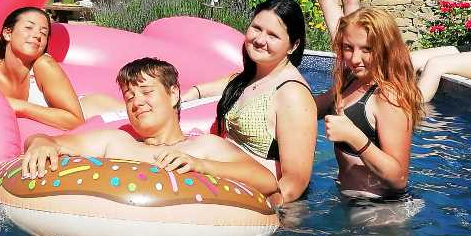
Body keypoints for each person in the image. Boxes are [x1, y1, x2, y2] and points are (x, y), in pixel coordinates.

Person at [20, 57, 280, 200]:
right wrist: (41, 142)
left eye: (146, 92)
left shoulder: (203, 147)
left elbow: (267, 181)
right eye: (129, 96)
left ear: (174, 94)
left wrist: (200, 166)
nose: (137, 102)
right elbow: (48, 141)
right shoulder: (116, 141)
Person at [180, 0, 317, 204]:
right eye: (256, 28)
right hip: (228, 185)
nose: (260, 39)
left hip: (259, 202)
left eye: (273, 35)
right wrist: (188, 95)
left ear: (293, 45)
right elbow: (212, 87)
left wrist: (259, 211)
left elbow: (295, 183)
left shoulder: (292, 94)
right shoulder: (250, 78)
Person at [315, 8, 425, 200]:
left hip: (381, 207)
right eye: (348, 47)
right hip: (349, 198)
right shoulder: (351, 79)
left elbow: (399, 178)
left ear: (386, 49)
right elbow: (312, 108)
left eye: (367, 49)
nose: (354, 59)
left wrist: (354, 136)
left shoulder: (388, 96)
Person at [0, 6, 121, 130]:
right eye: (29, 27)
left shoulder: (44, 65)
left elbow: (75, 120)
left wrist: (20, 107)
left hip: (100, 113)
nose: (37, 35)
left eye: (43, 33)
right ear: (7, 33)